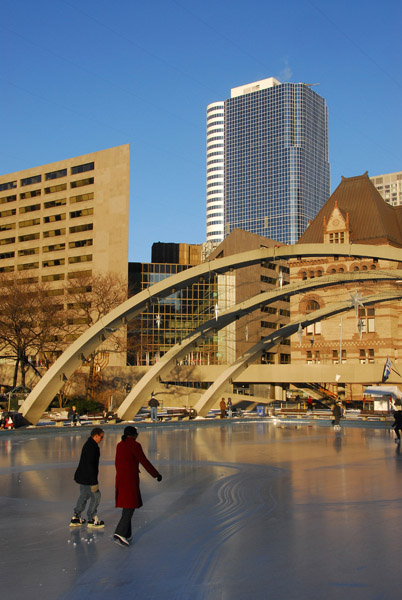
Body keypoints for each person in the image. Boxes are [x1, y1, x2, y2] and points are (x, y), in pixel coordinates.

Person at [114, 425, 162, 547]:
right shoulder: (135, 445)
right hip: (130, 479)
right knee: (130, 505)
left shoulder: (120, 445)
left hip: (121, 478)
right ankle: (119, 533)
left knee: (127, 504)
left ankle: (127, 533)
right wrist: (156, 474)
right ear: (134, 435)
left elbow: (117, 461)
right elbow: (144, 461)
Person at [70, 427, 105, 528]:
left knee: (84, 496)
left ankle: (76, 516)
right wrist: (94, 482)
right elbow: (90, 465)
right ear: (96, 436)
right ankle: (92, 518)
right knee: (96, 496)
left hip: (83, 476)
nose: (102, 439)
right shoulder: (91, 447)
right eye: (101, 437)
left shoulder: (90, 444)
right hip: (88, 477)